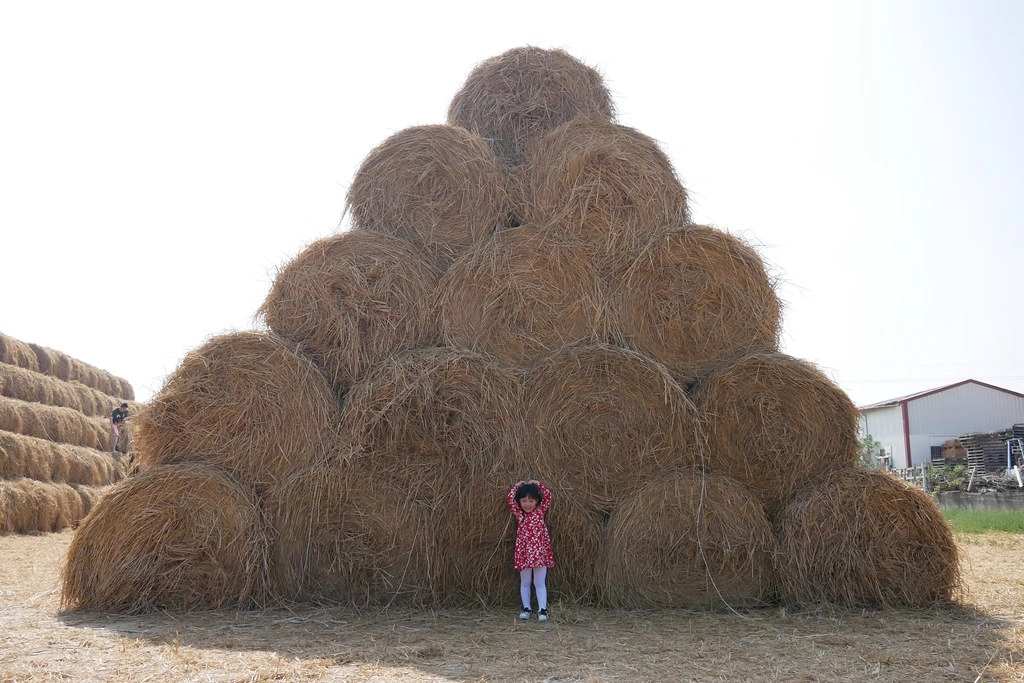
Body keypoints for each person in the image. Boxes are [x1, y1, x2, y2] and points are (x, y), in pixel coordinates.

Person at [507, 479, 555, 621]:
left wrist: (539, 484)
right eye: (524, 501)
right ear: (520, 502)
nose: (527, 504)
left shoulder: (540, 512)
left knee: (539, 583)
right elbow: (509, 499)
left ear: (537, 502)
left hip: (540, 553)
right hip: (524, 554)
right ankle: (526, 608)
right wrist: (517, 486)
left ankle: (542, 610)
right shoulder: (520, 515)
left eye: (531, 501)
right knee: (525, 582)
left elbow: (548, 496)